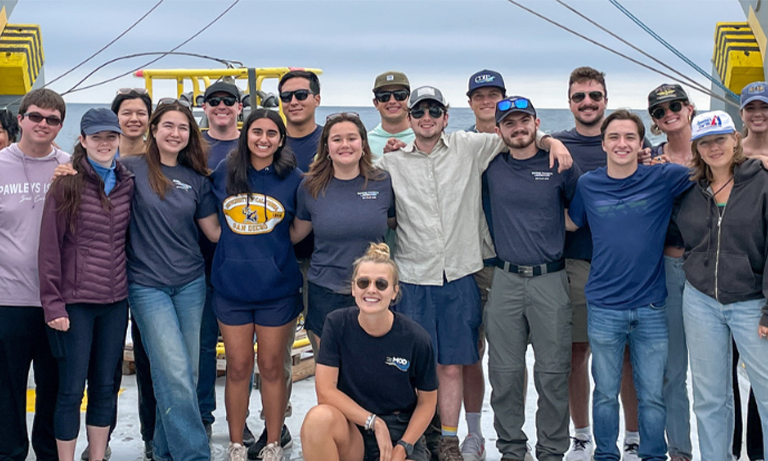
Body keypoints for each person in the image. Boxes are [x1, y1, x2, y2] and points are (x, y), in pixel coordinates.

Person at [378, 85, 571, 461]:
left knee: (453, 363)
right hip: (414, 274)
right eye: (419, 112)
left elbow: (517, 134)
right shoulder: (391, 163)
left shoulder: (470, 146)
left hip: (461, 271)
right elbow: (353, 175)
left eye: (435, 110)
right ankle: (415, 438)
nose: (427, 118)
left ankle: (450, 441)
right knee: (412, 364)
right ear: (409, 119)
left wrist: (553, 142)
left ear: (446, 116)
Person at [566, 109, 693, 461]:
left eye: (630, 137)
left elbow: (713, 169)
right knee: (605, 392)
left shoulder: (664, 177)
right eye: (615, 137)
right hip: (604, 306)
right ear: (604, 143)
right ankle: (605, 455)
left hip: (652, 304)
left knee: (652, 393)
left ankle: (653, 455)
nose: (622, 144)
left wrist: (758, 157)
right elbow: (570, 223)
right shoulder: (588, 185)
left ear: (641, 143)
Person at [123, 100, 220, 461]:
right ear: (154, 130)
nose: (175, 133)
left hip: (191, 284)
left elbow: (214, 233)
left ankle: (164, 452)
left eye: (183, 128)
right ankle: (195, 455)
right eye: (168, 126)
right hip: (147, 286)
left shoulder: (197, 180)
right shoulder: (129, 169)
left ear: (190, 135)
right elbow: (92, 179)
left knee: (187, 374)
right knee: (174, 371)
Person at [485, 96, 581, 461]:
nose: (518, 127)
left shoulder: (560, 163)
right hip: (506, 278)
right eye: (509, 122)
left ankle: (552, 450)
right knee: (505, 373)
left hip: (550, 279)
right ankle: (511, 448)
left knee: (553, 373)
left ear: (537, 122)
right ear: (499, 130)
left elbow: (578, 212)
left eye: (524, 120)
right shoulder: (490, 166)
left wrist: (552, 142)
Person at [553, 67, 641, 461]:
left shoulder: (630, 143)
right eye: (579, 97)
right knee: (577, 353)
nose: (587, 102)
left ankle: (635, 437)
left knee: (625, 356)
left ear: (606, 98)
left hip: (627, 269)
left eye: (594, 95)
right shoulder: (556, 145)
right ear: (569, 102)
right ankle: (582, 436)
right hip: (575, 264)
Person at [38, 108, 134, 461]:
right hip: (75, 303)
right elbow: (49, 248)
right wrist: (53, 304)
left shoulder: (126, 183)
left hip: (114, 301)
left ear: (118, 140)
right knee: (70, 390)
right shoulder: (67, 182)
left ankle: (96, 456)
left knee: (105, 388)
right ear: (83, 141)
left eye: (110, 137)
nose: (104, 143)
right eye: (97, 138)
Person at [208, 109, 304, 461]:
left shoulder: (294, 179)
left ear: (281, 139)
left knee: (272, 366)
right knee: (237, 366)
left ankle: (273, 442)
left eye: (271, 133)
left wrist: (271, 252)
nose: (263, 139)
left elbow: (300, 227)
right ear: (245, 134)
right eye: (257, 131)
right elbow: (209, 220)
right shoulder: (224, 173)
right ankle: (236, 442)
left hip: (276, 291)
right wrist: (234, 247)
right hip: (232, 289)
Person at [676, 110, 768, 461]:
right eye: (705, 142)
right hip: (700, 301)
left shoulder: (762, 182)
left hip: (752, 302)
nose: (714, 147)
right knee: (710, 396)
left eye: (720, 139)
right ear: (697, 148)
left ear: (736, 139)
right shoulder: (689, 188)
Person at [300, 243, 438, 461]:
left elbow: (427, 402)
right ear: (354, 288)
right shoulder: (336, 324)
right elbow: (325, 391)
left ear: (394, 292)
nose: (371, 290)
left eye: (381, 284)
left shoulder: (416, 338)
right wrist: (374, 422)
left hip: (401, 429)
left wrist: (403, 446)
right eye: (364, 282)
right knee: (318, 419)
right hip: (354, 425)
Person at [0, 88, 69, 461]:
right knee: (7, 391)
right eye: (36, 117)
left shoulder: (72, 166)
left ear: (60, 125)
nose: (43, 124)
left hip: (57, 301)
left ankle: (48, 454)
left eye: (52, 119)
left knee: (54, 388)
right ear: (21, 118)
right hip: (8, 299)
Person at [291, 112, 394, 349]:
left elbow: (398, 223)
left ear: (363, 144)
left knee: (373, 371)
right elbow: (296, 233)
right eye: (337, 139)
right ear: (326, 147)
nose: (345, 145)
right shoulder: (310, 186)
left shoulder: (382, 181)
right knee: (329, 372)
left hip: (374, 290)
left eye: (352, 138)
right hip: (326, 290)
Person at [198, 80, 253, 443]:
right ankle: (202, 417)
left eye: (228, 100)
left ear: (239, 107)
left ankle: (243, 421)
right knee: (202, 346)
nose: (221, 106)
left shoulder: (250, 145)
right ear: (204, 106)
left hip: (245, 264)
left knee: (244, 354)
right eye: (214, 100)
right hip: (198, 260)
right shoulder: (193, 145)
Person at [646, 83, 695, 461]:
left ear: (690, 108)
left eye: (675, 106)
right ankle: (679, 450)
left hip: (716, 268)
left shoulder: (718, 149)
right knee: (672, 371)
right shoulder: (651, 161)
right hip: (669, 266)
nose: (668, 114)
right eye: (660, 112)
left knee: (720, 374)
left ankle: (724, 449)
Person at [464, 68, 508, 461]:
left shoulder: (522, 143)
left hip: (511, 264)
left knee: (509, 358)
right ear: (469, 102)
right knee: (470, 353)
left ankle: (512, 435)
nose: (487, 101)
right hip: (473, 263)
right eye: (479, 96)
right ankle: (474, 433)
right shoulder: (460, 146)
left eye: (494, 95)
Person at [733, 81, 768, 461]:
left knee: (763, 376)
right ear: (741, 113)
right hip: (735, 275)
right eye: (752, 107)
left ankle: (758, 452)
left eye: (765, 107)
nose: (759, 113)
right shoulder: (731, 153)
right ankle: (730, 448)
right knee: (726, 372)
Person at [367, 71, 413, 159]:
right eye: (384, 96)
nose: (392, 101)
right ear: (376, 103)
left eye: (399, 95)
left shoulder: (423, 140)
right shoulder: (364, 143)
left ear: (409, 101)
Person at [111, 88, 152, 156]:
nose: (134, 119)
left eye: (141, 113)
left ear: (149, 118)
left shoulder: (160, 157)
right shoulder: (103, 158)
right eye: (127, 113)